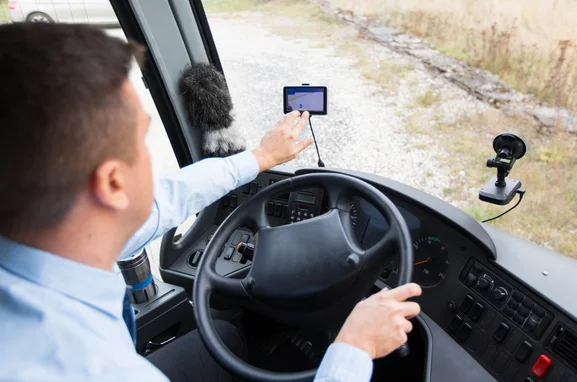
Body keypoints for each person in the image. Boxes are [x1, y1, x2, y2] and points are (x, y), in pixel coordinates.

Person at [0, 23, 421, 382]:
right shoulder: (88, 367)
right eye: (141, 140)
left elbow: (166, 200)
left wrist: (260, 158)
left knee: (227, 334)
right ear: (112, 183)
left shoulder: (45, 230)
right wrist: (354, 348)